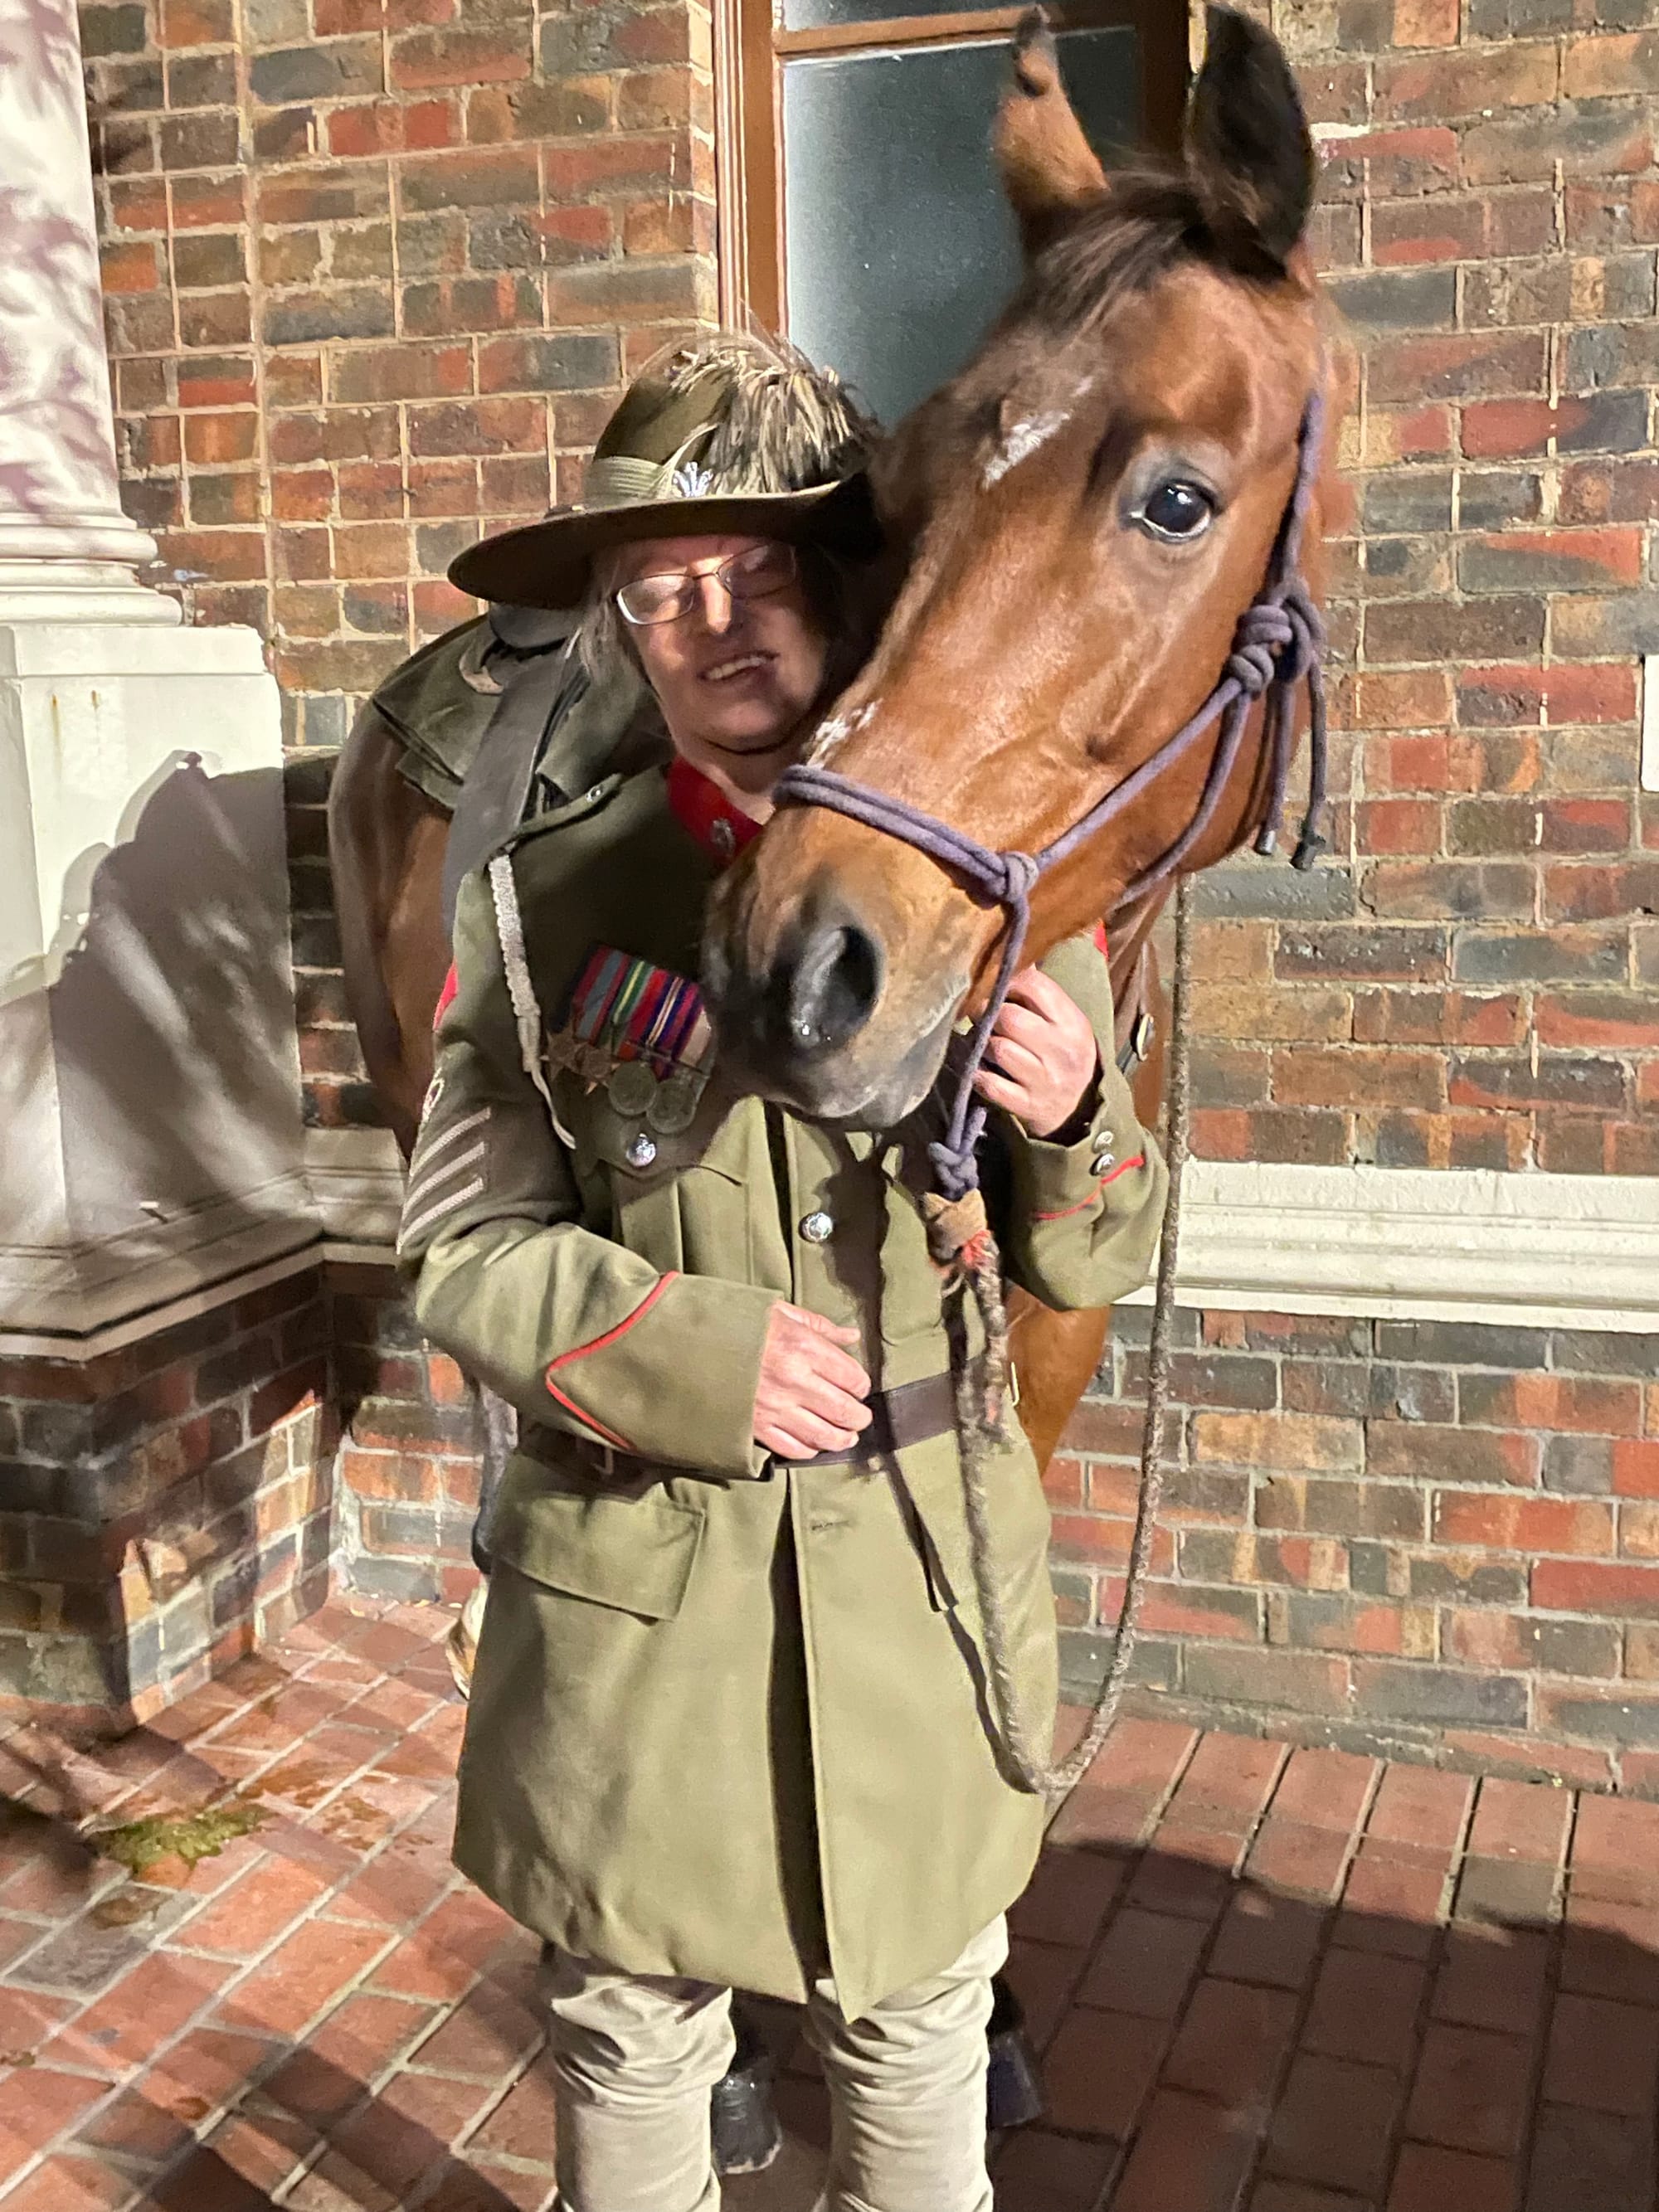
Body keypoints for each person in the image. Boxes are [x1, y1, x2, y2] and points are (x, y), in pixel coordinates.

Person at [397, 333, 1167, 2212]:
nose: (712, 622)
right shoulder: (539, 896)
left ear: (845, 586)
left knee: (918, 2040)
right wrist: (678, 1350)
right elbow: (460, 1245)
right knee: (632, 2031)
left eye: (755, 574)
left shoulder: (993, 883)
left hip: (921, 1579)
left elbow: (1101, 1244)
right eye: (663, 591)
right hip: (642, 1603)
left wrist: (1074, 1106)